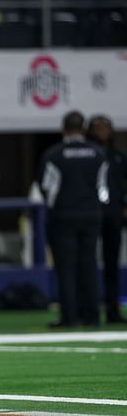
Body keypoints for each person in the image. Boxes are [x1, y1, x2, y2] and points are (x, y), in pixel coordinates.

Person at [38, 110, 108, 328]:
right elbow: (103, 189)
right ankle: (92, 316)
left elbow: (47, 188)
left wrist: (55, 208)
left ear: (64, 128)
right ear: (83, 128)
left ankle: (69, 317)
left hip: (63, 216)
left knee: (66, 267)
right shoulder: (97, 153)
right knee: (88, 264)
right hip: (91, 215)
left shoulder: (54, 154)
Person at [86, 115, 127, 324]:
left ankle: (113, 310)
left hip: (113, 216)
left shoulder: (118, 157)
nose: (102, 132)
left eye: (105, 128)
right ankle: (88, 311)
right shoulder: (87, 154)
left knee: (112, 265)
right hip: (90, 215)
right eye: (97, 128)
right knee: (86, 263)